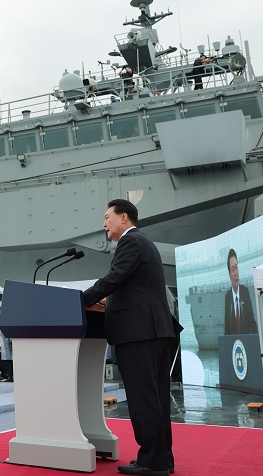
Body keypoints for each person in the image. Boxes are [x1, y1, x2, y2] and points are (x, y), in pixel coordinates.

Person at [83, 199, 178, 476]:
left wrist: (83, 299)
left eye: (107, 217)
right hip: (154, 331)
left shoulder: (131, 241)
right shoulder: (144, 242)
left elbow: (115, 278)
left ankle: (151, 461)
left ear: (123, 217)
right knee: (156, 399)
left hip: (139, 333)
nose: (104, 224)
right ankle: (161, 459)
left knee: (143, 399)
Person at [223, 249, 258, 335]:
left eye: (237, 268)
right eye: (233, 269)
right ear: (229, 274)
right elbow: (227, 327)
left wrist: (256, 341)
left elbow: (252, 321)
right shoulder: (227, 297)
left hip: (246, 344)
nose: (236, 273)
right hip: (234, 346)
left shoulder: (245, 291)